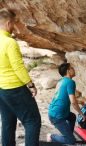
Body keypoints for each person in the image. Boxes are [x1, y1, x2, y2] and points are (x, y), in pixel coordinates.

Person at [0, 9, 41, 146]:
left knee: (8, 121)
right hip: (14, 87)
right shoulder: (9, 42)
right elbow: (18, 67)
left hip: (1, 89)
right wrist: (30, 84)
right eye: (13, 24)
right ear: (8, 23)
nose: (14, 27)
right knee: (32, 120)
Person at [47, 63, 86, 145]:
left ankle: (68, 135)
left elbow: (63, 97)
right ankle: (51, 136)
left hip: (55, 112)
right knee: (71, 141)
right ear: (68, 71)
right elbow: (73, 102)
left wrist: (80, 102)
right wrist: (81, 114)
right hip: (57, 116)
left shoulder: (61, 81)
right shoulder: (70, 82)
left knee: (72, 117)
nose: (73, 69)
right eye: (72, 68)